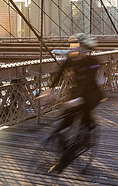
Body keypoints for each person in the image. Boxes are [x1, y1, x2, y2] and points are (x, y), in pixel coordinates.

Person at [48, 33, 103, 171]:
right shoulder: (71, 59)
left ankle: (67, 158)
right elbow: (59, 73)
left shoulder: (93, 62)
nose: (75, 50)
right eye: (74, 46)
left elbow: (89, 83)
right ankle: (66, 148)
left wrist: (78, 100)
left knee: (84, 110)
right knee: (62, 126)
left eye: (79, 47)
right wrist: (49, 90)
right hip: (77, 93)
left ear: (87, 49)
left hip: (92, 95)